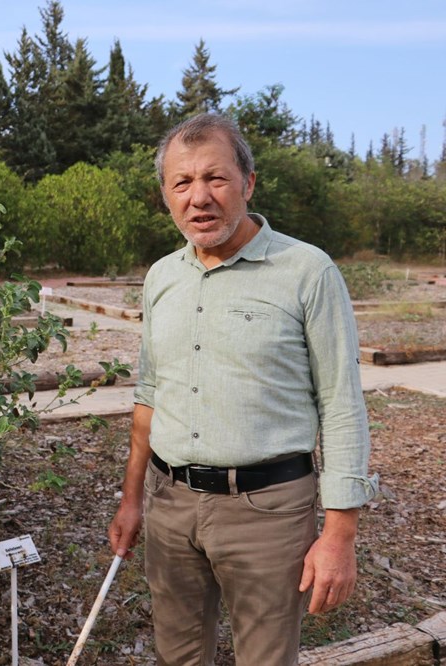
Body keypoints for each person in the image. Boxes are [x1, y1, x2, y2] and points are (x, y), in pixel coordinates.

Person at [107, 113, 377, 665]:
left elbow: (343, 405)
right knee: (177, 655)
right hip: (170, 505)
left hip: (268, 512)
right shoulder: (161, 277)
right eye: (182, 183)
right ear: (165, 195)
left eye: (216, 178)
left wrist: (340, 534)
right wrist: (132, 500)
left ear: (248, 183)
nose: (199, 197)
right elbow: (149, 394)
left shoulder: (307, 272)